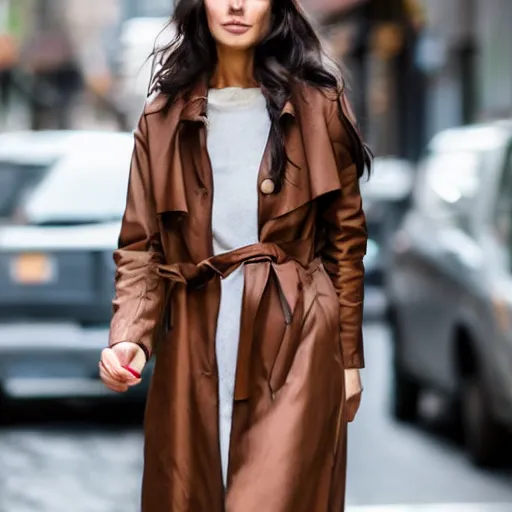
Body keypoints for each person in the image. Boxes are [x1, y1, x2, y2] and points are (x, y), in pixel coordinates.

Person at [99, 0, 371, 510]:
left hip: (298, 340)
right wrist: (129, 337)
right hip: (193, 341)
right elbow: (141, 245)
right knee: (189, 493)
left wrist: (348, 358)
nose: (238, 5)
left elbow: (345, 242)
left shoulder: (319, 105)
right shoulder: (160, 118)